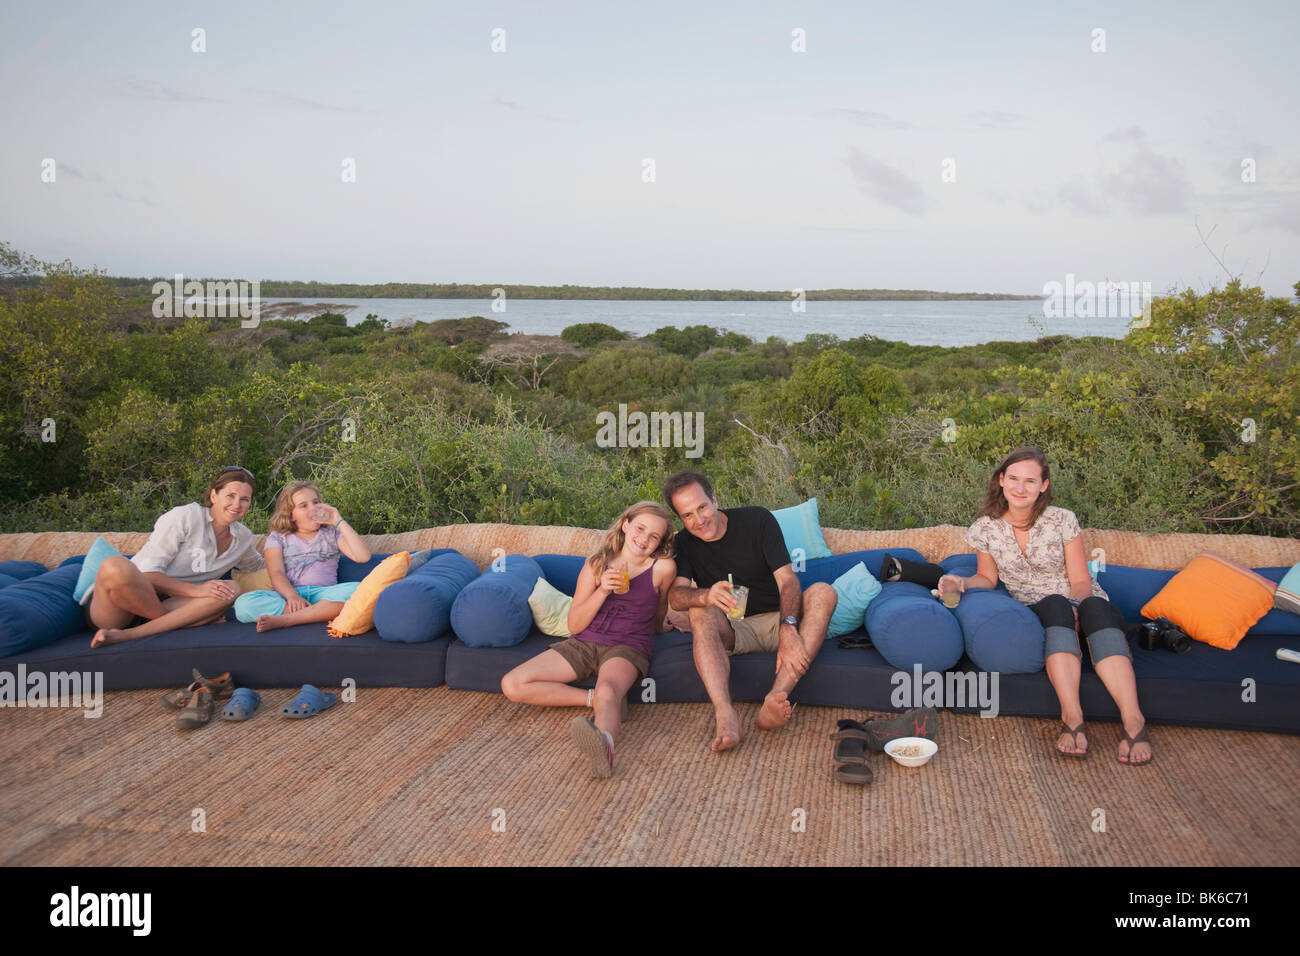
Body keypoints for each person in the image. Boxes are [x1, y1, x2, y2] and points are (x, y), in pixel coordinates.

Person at [938, 446, 1153, 764]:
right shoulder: (986, 526)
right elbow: (987, 578)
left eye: (1029, 480)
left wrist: (1077, 605)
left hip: (1082, 602)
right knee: (1054, 605)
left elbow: (1081, 579)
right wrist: (961, 583)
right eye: (1013, 478)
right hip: (1040, 609)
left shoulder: (1062, 520)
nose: (1020, 488)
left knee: (1096, 607)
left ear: (1044, 485)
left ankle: (1134, 721)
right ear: (1001, 480)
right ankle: (1072, 717)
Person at [662, 470, 837, 753]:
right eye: (688, 515)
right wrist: (706, 594)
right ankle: (725, 714)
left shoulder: (757, 520)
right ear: (680, 519)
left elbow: (788, 580)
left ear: (714, 500)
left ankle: (776, 698)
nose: (699, 520)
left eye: (702, 507)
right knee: (698, 611)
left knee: (823, 592)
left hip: (777, 617)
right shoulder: (684, 542)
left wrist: (789, 626)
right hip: (734, 628)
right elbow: (676, 596)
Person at [500, 502, 676, 778]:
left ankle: (604, 745)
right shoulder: (596, 565)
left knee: (609, 689)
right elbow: (575, 624)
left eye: (654, 536)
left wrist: (664, 627)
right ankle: (595, 700)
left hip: (627, 646)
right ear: (626, 524)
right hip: (583, 642)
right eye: (640, 528)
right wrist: (603, 590)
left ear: (660, 543)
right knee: (512, 684)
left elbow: (660, 608)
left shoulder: (663, 568)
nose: (644, 539)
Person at [89, 467, 265, 647]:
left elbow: (260, 566)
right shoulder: (185, 517)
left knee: (231, 589)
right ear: (214, 496)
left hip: (176, 605)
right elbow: (147, 574)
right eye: (230, 496)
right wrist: (197, 593)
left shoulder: (243, 537)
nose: (237, 505)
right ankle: (180, 622)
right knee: (113, 565)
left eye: (244, 499)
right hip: (126, 601)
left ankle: (129, 635)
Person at [233, 482, 371, 631]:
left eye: (316, 502)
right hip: (287, 596)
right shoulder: (277, 538)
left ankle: (286, 620)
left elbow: (363, 557)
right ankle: (316, 614)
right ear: (291, 515)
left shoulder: (332, 534)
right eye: (303, 505)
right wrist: (293, 597)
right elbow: (276, 573)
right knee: (243, 604)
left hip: (324, 594)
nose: (313, 508)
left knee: (360, 590)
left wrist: (338, 521)